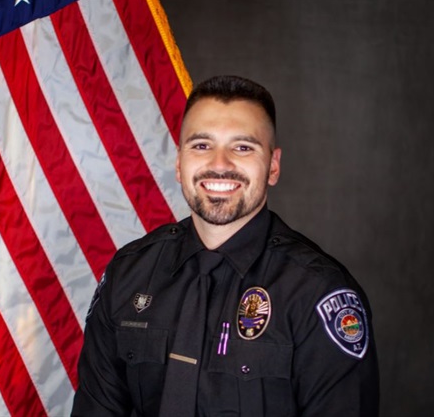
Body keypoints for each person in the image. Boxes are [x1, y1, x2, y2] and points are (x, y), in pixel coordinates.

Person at [71, 75, 380, 416]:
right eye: (202, 145)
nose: (220, 164)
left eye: (243, 147)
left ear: (273, 166)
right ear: (178, 163)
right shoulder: (129, 275)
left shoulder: (317, 293)